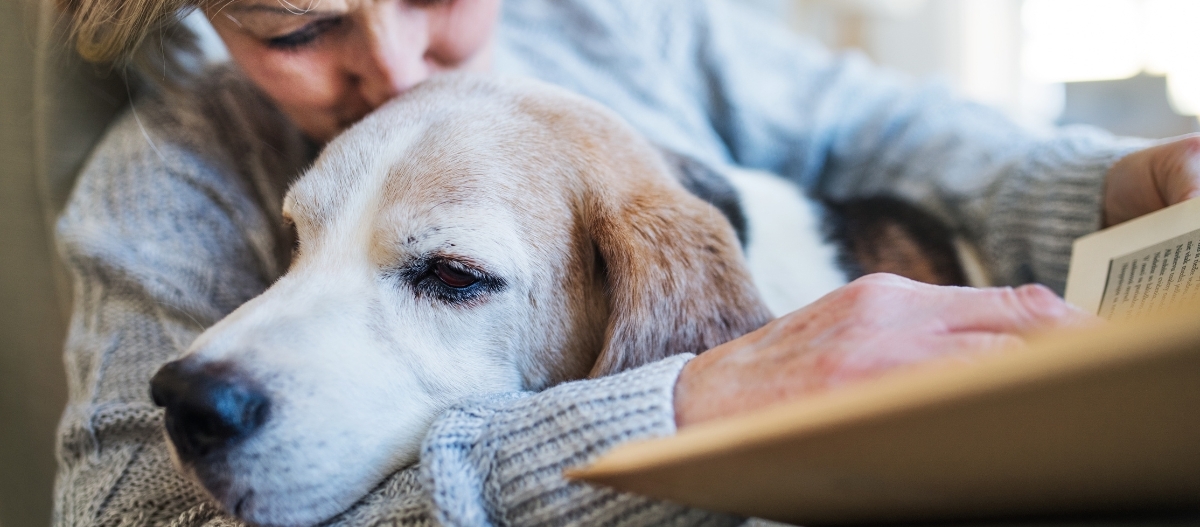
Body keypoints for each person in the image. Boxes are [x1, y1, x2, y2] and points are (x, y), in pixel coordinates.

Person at [54, 0, 1200, 525]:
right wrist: (677, 413)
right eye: (297, 30)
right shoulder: (167, 171)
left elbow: (876, 127)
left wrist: (1113, 183)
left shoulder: (617, 23)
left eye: (448, 273)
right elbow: (119, 509)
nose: (400, 67)